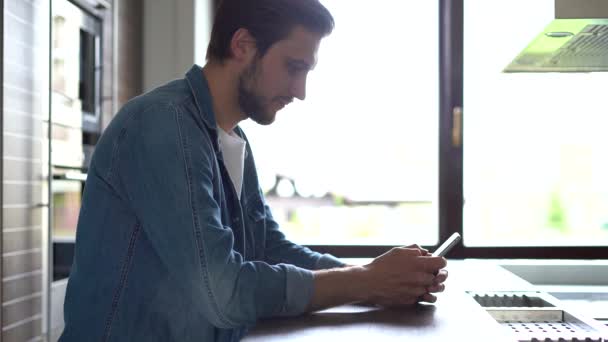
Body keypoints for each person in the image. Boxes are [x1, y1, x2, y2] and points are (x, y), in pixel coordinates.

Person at [59, 0, 448, 341]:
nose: (300, 90)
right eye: (293, 67)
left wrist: (377, 279)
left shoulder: (229, 136)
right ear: (243, 45)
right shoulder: (164, 126)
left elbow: (268, 247)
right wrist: (365, 281)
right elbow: (224, 293)